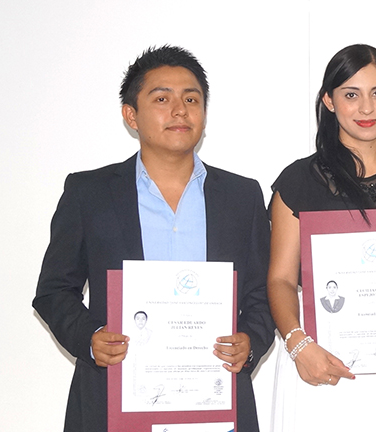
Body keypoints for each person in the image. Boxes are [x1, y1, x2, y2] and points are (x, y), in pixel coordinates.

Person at [31, 45, 275, 432]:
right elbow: (54, 290)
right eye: (162, 98)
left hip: (214, 401)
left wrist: (251, 342)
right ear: (131, 115)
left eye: (191, 99)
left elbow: (262, 292)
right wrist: (91, 338)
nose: (180, 110)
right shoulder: (89, 193)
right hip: (115, 399)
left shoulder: (242, 196)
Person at [267, 44, 376, 432]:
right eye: (351, 95)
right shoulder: (298, 181)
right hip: (315, 361)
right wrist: (298, 345)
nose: (366, 108)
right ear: (329, 100)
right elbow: (279, 279)